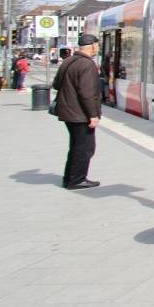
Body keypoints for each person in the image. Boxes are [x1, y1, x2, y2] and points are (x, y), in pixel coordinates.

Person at [54, 34, 102, 190]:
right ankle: (77, 180)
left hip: (68, 111)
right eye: (98, 45)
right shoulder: (87, 65)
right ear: (93, 46)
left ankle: (69, 177)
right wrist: (93, 115)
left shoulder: (68, 61)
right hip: (80, 114)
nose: (98, 48)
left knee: (75, 146)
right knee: (86, 148)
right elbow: (87, 93)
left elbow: (56, 84)